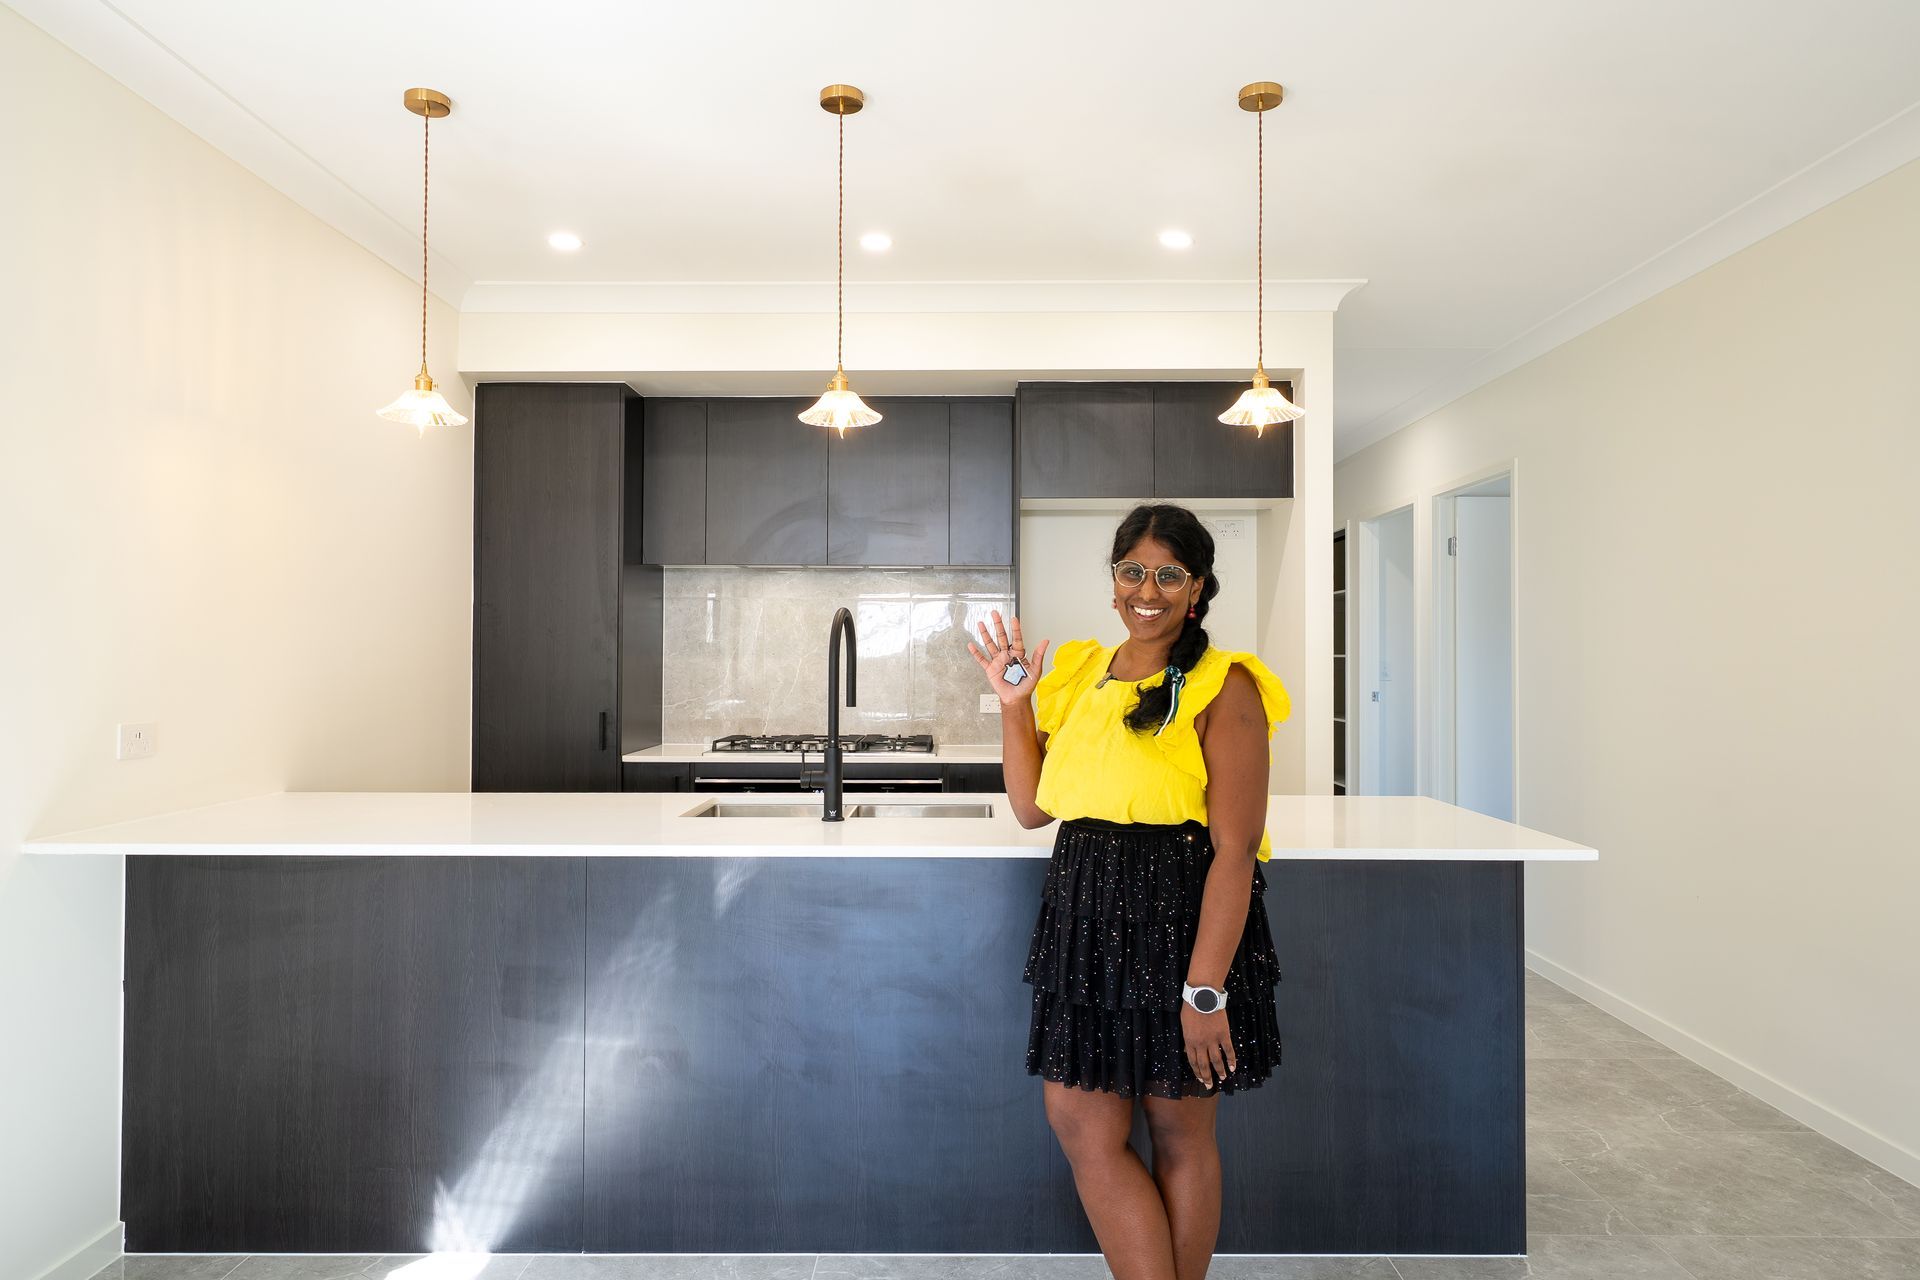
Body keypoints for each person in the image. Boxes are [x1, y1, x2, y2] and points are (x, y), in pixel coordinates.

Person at [967, 502, 1291, 1280]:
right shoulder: (1079, 673)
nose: (1149, 590)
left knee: (1180, 1132)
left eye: (1169, 574)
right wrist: (1015, 705)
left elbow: (1236, 850)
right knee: (1081, 1122)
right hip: (1084, 915)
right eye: (1134, 572)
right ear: (1114, 584)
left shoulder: (1226, 685)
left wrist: (1205, 990)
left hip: (1181, 921)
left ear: (1198, 586)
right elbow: (1031, 805)